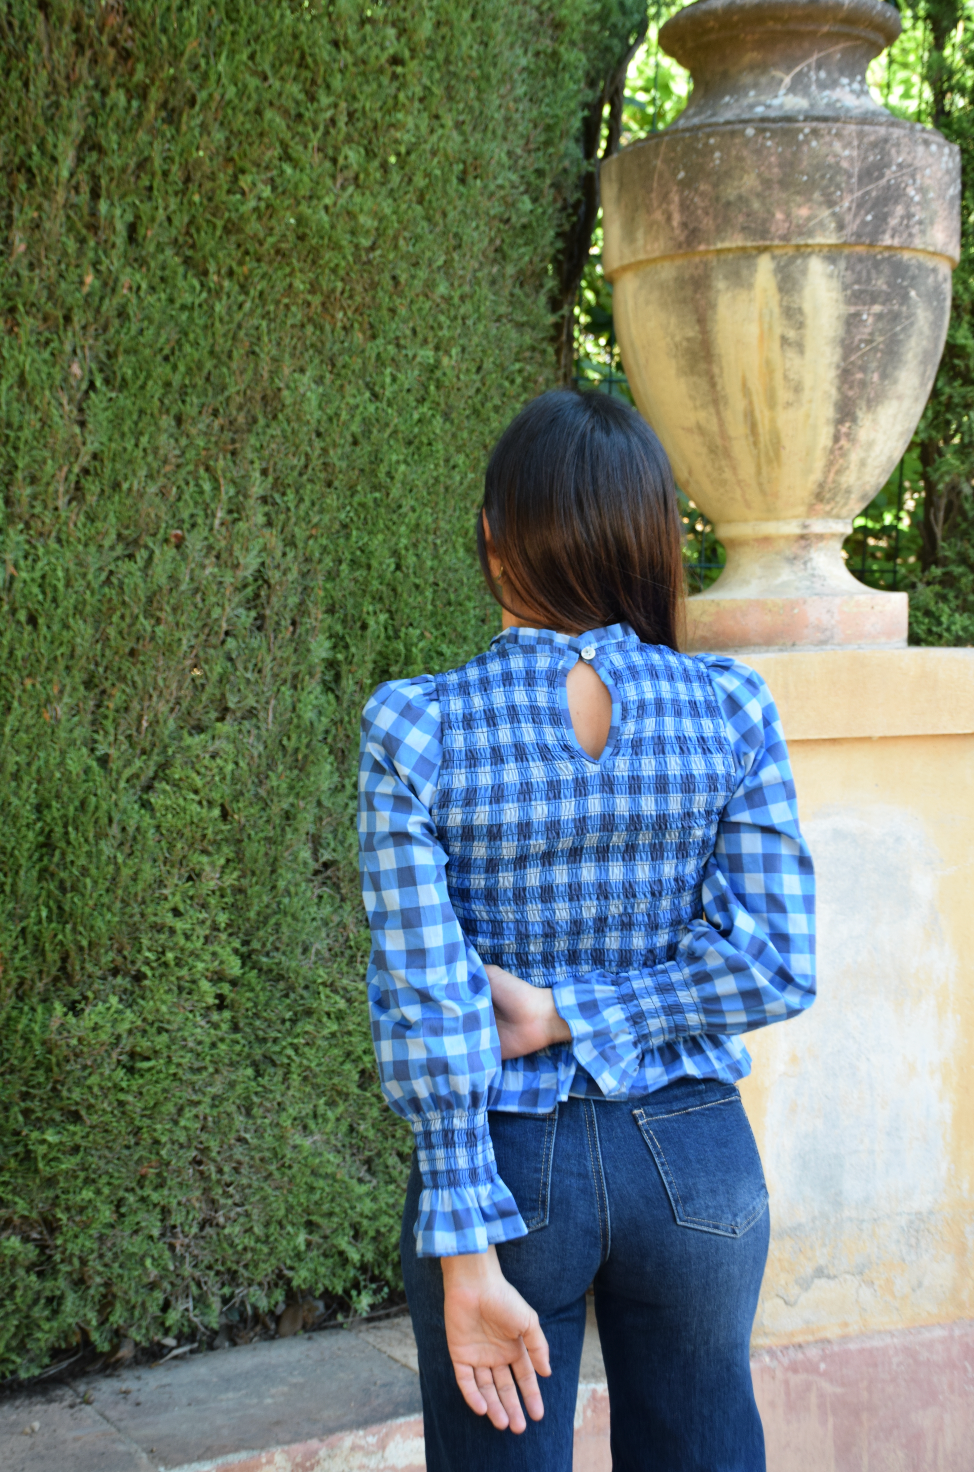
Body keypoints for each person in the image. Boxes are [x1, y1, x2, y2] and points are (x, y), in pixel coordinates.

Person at [357, 389, 815, 1472]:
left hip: (505, 1171)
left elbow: (430, 1010)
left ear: (490, 534)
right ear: (651, 539)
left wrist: (465, 1256)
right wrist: (598, 1009)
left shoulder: (415, 724)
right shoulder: (731, 706)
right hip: (696, 1160)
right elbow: (774, 959)